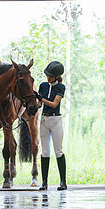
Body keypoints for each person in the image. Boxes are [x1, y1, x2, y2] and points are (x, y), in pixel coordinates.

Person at [36, 61, 67, 191]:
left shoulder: (60, 87)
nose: (47, 78)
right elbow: (39, 104)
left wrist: (41, 99)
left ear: (56, 76)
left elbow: (54, 104)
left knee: (58, 150)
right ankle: (44, 182)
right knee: (45, 151)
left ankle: (63, 181)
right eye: (47, 75)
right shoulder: (42, 86)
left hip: (56, 119)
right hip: (44, 119)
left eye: (50, 76)